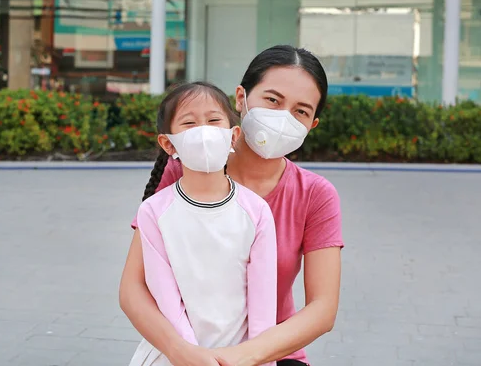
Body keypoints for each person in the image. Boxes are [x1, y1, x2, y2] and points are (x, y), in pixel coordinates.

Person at [120, 45, 343, 366]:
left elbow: (323, 309)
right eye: (272, 100)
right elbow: (133, 288)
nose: (283, 118)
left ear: (312, 125)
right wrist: (180, 351)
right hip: (186, 348)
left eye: (301, 111)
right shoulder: (185, 171)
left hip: (272, 353)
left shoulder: (315, 194)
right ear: (241, 98)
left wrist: (244, 357)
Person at [127, 82, 278, 366]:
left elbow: (263, 308)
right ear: (168, 143)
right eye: (189, 123)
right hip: (170, 357)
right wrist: (191, 356)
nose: (204, 131)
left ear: (233, 135)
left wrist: (258, 360)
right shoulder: (154, 212)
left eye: (213, 120)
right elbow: (165, 298)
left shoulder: (256, 211)